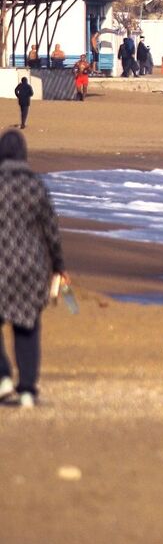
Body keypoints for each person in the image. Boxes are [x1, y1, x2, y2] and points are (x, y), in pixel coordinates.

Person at [0, 130, 65, 409]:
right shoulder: (35, 185)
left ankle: (2, 377)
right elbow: (51, 230)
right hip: (31, 267)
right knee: (27, 327)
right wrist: (58, 265)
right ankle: (27, 390)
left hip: (1, 265)